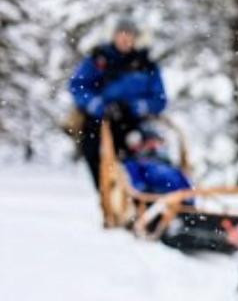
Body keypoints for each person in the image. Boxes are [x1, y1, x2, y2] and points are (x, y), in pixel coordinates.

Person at [68, 18, 168, 188]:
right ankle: (107, 195)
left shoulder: (146, 64)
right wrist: (96, 104)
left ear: (136, 38)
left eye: (129, 35)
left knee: (147, 157)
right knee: (96, 154)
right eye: (121, 34)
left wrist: (138, 107)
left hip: (135, 122)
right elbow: (78, 86)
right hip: (101, 121)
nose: (125, 39)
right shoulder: (99, 59)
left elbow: (159, 99)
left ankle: (144, 195)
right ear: (113, 36)